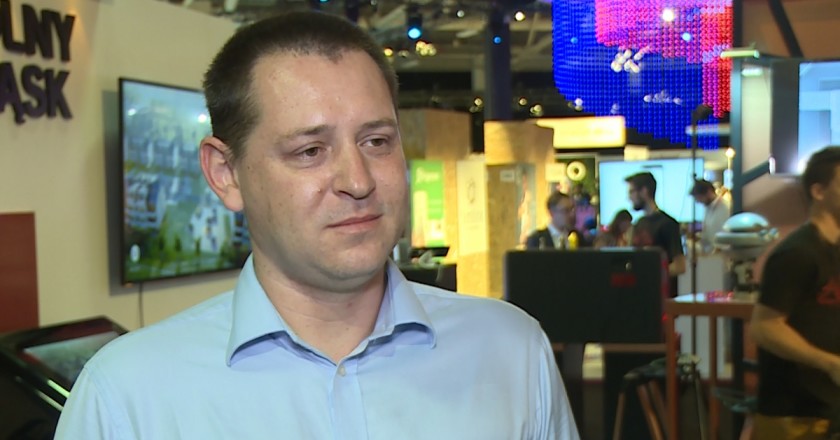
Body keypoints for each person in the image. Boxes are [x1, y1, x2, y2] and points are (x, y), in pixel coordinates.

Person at [54, 11, 579, 439]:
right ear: (225, 174)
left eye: (377, 141)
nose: (358, 180)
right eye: (310, 151)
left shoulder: (510, 352)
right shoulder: (128, 397)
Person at [750, 146, 840, 440]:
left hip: (830, 409)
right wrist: (829, 363)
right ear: (819, 191)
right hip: (794, 415)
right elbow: (764, 328)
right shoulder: (797, 253)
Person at [625, 172, 686, 297]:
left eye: (632, 192)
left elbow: (680, 266)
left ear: (644, 191)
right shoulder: (638, 224)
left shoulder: (668, 224)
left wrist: (650, 273)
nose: (629, 197)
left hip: (662, 298)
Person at [689, 179, 731, 254]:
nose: (698, 201)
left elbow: (726, 235)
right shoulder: (707, 209)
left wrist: (718, 249)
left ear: (709, 192)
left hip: (723, 254)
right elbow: (708, 234)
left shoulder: (725, 208)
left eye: (699, 198)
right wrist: (698, 237)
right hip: (711, 253)